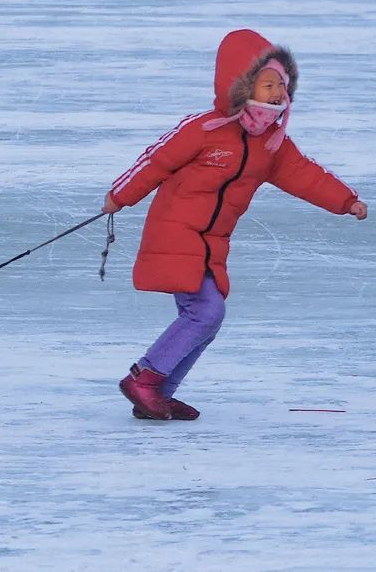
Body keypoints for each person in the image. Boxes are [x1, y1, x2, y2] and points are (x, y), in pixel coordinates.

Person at [104, 28, 366, 422]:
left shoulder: (271, 144)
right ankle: (145, 378)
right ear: (242, 86)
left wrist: (345, 200)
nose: (279, 92)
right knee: (206, 313)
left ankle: (158, 392)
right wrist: (121, 195)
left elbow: (305, 174)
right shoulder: (205, 129)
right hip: (176, 233)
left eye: (282, 84)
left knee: (207, 316)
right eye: (268, 83)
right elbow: (155, 160)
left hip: (211, 243)